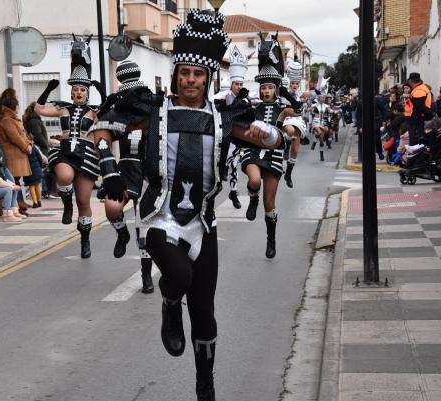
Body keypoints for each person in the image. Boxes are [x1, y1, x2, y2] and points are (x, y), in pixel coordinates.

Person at [90, 10, 281, 400]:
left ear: (208, 77)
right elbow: (101, 129)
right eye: (184, 73)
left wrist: (275, 134)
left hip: (203, 222)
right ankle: (168, 303)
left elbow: (266, 138)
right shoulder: (153, 109)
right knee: (179, 276)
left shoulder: (224, 116)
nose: (190, 80)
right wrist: (109, 171)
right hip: (160, 216)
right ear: (176, 74)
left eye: (198, 74)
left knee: (206, 312)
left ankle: (204, 382)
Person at [34, 36, 106, 258]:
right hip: (65, 151)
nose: (78, 93)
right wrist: (47, 89)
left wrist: (103, 93)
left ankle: (85, 240)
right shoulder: (62, 108)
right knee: (63, 177)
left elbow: (109, 111)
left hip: (85, 154)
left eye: (82, 90)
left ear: (87, 92)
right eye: (75, 89)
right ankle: (66, 205)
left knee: (84, 201)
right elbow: (38, 109)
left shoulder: (94, 111)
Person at [236, 34, 306, 259]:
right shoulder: (253, 105)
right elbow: (236, 116)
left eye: (270, 87)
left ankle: (271, 239)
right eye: (263, 87)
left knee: (270, 203)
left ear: (275, 89)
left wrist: (285, 93)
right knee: (254, 180)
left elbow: (299, 111)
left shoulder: (282, 108)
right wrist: (241, 100)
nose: (265, 91)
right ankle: (251, 197)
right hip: (253, 152)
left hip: (274, 156)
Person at [95, 59, 155, 293]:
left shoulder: (153, 111)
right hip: (126, 168)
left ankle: (146, 274)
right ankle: (121, 233)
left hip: (150, 169)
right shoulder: (116, 115)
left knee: (145, 222)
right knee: (111, 207)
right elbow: (99, 134)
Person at [212, 45, 248, 208]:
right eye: (237, 84)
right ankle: (212, 191)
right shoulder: (221, 97)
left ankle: (233, 192)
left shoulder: (245, 100)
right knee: (216, 168)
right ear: (232, 84)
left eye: (241, 84)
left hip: (236, 138)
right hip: (220, 137)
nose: (239, 86)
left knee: (234, 165)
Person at [0, 97, 31, 220]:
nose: (18, 108)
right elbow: (15, 137)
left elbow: (23, 135)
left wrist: (28, 144)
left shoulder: (12, 118)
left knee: (15, 181)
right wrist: (27, 147)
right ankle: (13, 210)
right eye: (17, 105)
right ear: (13, 106)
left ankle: (16, 209)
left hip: (18, 155)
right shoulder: (7, 120)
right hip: (12, 155)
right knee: (13, 182)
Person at [280, 59, 307, 188]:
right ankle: (286, 144)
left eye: (297, 83)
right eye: (293, 83)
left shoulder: (301, 94)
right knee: (290, 131)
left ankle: (288, 174)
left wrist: (319, 82)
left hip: (298, 121)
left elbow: (315, 93)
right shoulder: (284, 93)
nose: (295, 85)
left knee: (295, 150)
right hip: (286, 119)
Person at [404, 72, 435, 145]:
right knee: (417, 143)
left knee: (416, 145)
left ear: (410, 81)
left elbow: (422, 108)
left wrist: (430, 115)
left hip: (416, 121)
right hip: (416, 121)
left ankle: (418, 156)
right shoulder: (419, 89)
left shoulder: (418, 91)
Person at [23, 136, 45, 208]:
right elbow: (40, 158)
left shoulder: (24, 149)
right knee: (38, 185)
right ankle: (39, 201)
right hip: (37, 169)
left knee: (31, 187)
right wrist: (40, 167)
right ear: (33, 141)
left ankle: (35, 203)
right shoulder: (35, 148)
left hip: (28, 170)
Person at [310, 94, 332, 161]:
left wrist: (331, 111)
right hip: (316, 122)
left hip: (323, 123)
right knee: (319, 132)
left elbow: (330, 113)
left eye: (323, 98)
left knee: (322, 141)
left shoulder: (327, 106)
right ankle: (314, 142)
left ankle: (321, 155)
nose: (322, 99)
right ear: (318, 99)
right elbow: (311, 113)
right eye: (320, 98)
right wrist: (311, 111)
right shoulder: (314, 105)